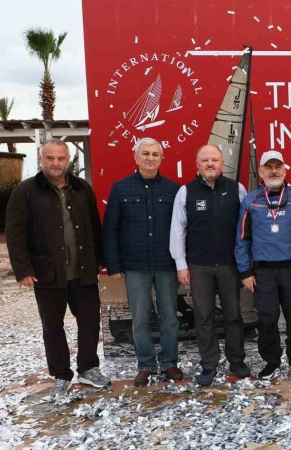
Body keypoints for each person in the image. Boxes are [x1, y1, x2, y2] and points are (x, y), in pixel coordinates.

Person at [6, 138, 110, 397]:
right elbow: (15, 233)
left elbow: (94, 226)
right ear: (41, 159)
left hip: (83, 270)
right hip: (47, 273)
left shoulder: (82, 188)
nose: (56, 163)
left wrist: (100, 258)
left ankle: (88, 368)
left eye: (61, 158)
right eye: (50, 158)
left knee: (90, 321)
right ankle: (61, 374)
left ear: (67, 160)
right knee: (52, 326)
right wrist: (23, 269)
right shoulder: (25, 191)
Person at [103, 138, 183, 386]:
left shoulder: (173, 190)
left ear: (161, 158)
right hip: (135, 265)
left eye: (155, 154)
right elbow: (111, 228)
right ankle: (145, 364)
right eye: (145, 153)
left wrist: (182, 262)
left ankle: (169, 363)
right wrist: (114, 264)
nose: (150, 158)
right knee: (139, 318)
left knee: (170, 317)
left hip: (166, 264)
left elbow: (182, 228)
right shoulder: (121, 188)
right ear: (136, 157)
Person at [170, 144, 250, 386]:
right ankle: (209, 364)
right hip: (199, 266)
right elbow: (178, 229)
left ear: (222, 163)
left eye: (214, 160)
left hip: (229, 265)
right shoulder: (186, 191)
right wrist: (181, 264)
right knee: (203, 317)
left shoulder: (237, 189)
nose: (210, 164)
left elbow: (245, 227)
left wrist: (245, 262)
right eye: (205, 160)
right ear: (198, 164)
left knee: (233, 314)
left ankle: (236, 360)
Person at [236, 150, 291, 381]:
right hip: (263, 272)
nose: (273, 171)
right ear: (261, 172)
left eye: (278, 166)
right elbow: (242, 239)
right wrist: (245, 272)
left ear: (284, 170)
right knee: (267, 319)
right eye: (269, 167)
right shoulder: (250, 201)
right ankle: (271, 361)